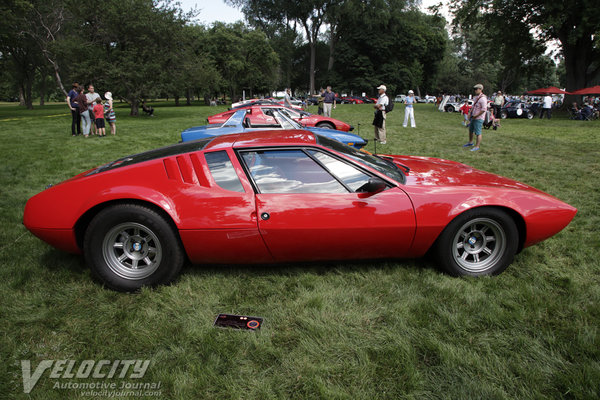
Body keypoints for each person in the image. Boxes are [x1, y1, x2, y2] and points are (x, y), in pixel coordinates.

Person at [464, 83, 487, 152]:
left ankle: (477, 146)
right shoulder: (476, 97)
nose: (475, 91)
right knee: (471, 130)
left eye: (476, 89)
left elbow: (484, 109)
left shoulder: (483, 99)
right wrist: (470, 113)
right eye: (474, 89)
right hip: (473, 117)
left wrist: (476, 116)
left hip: (479, 118)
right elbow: (473, 106)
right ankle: (470, 142)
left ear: (480, 89)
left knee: (478, 132)